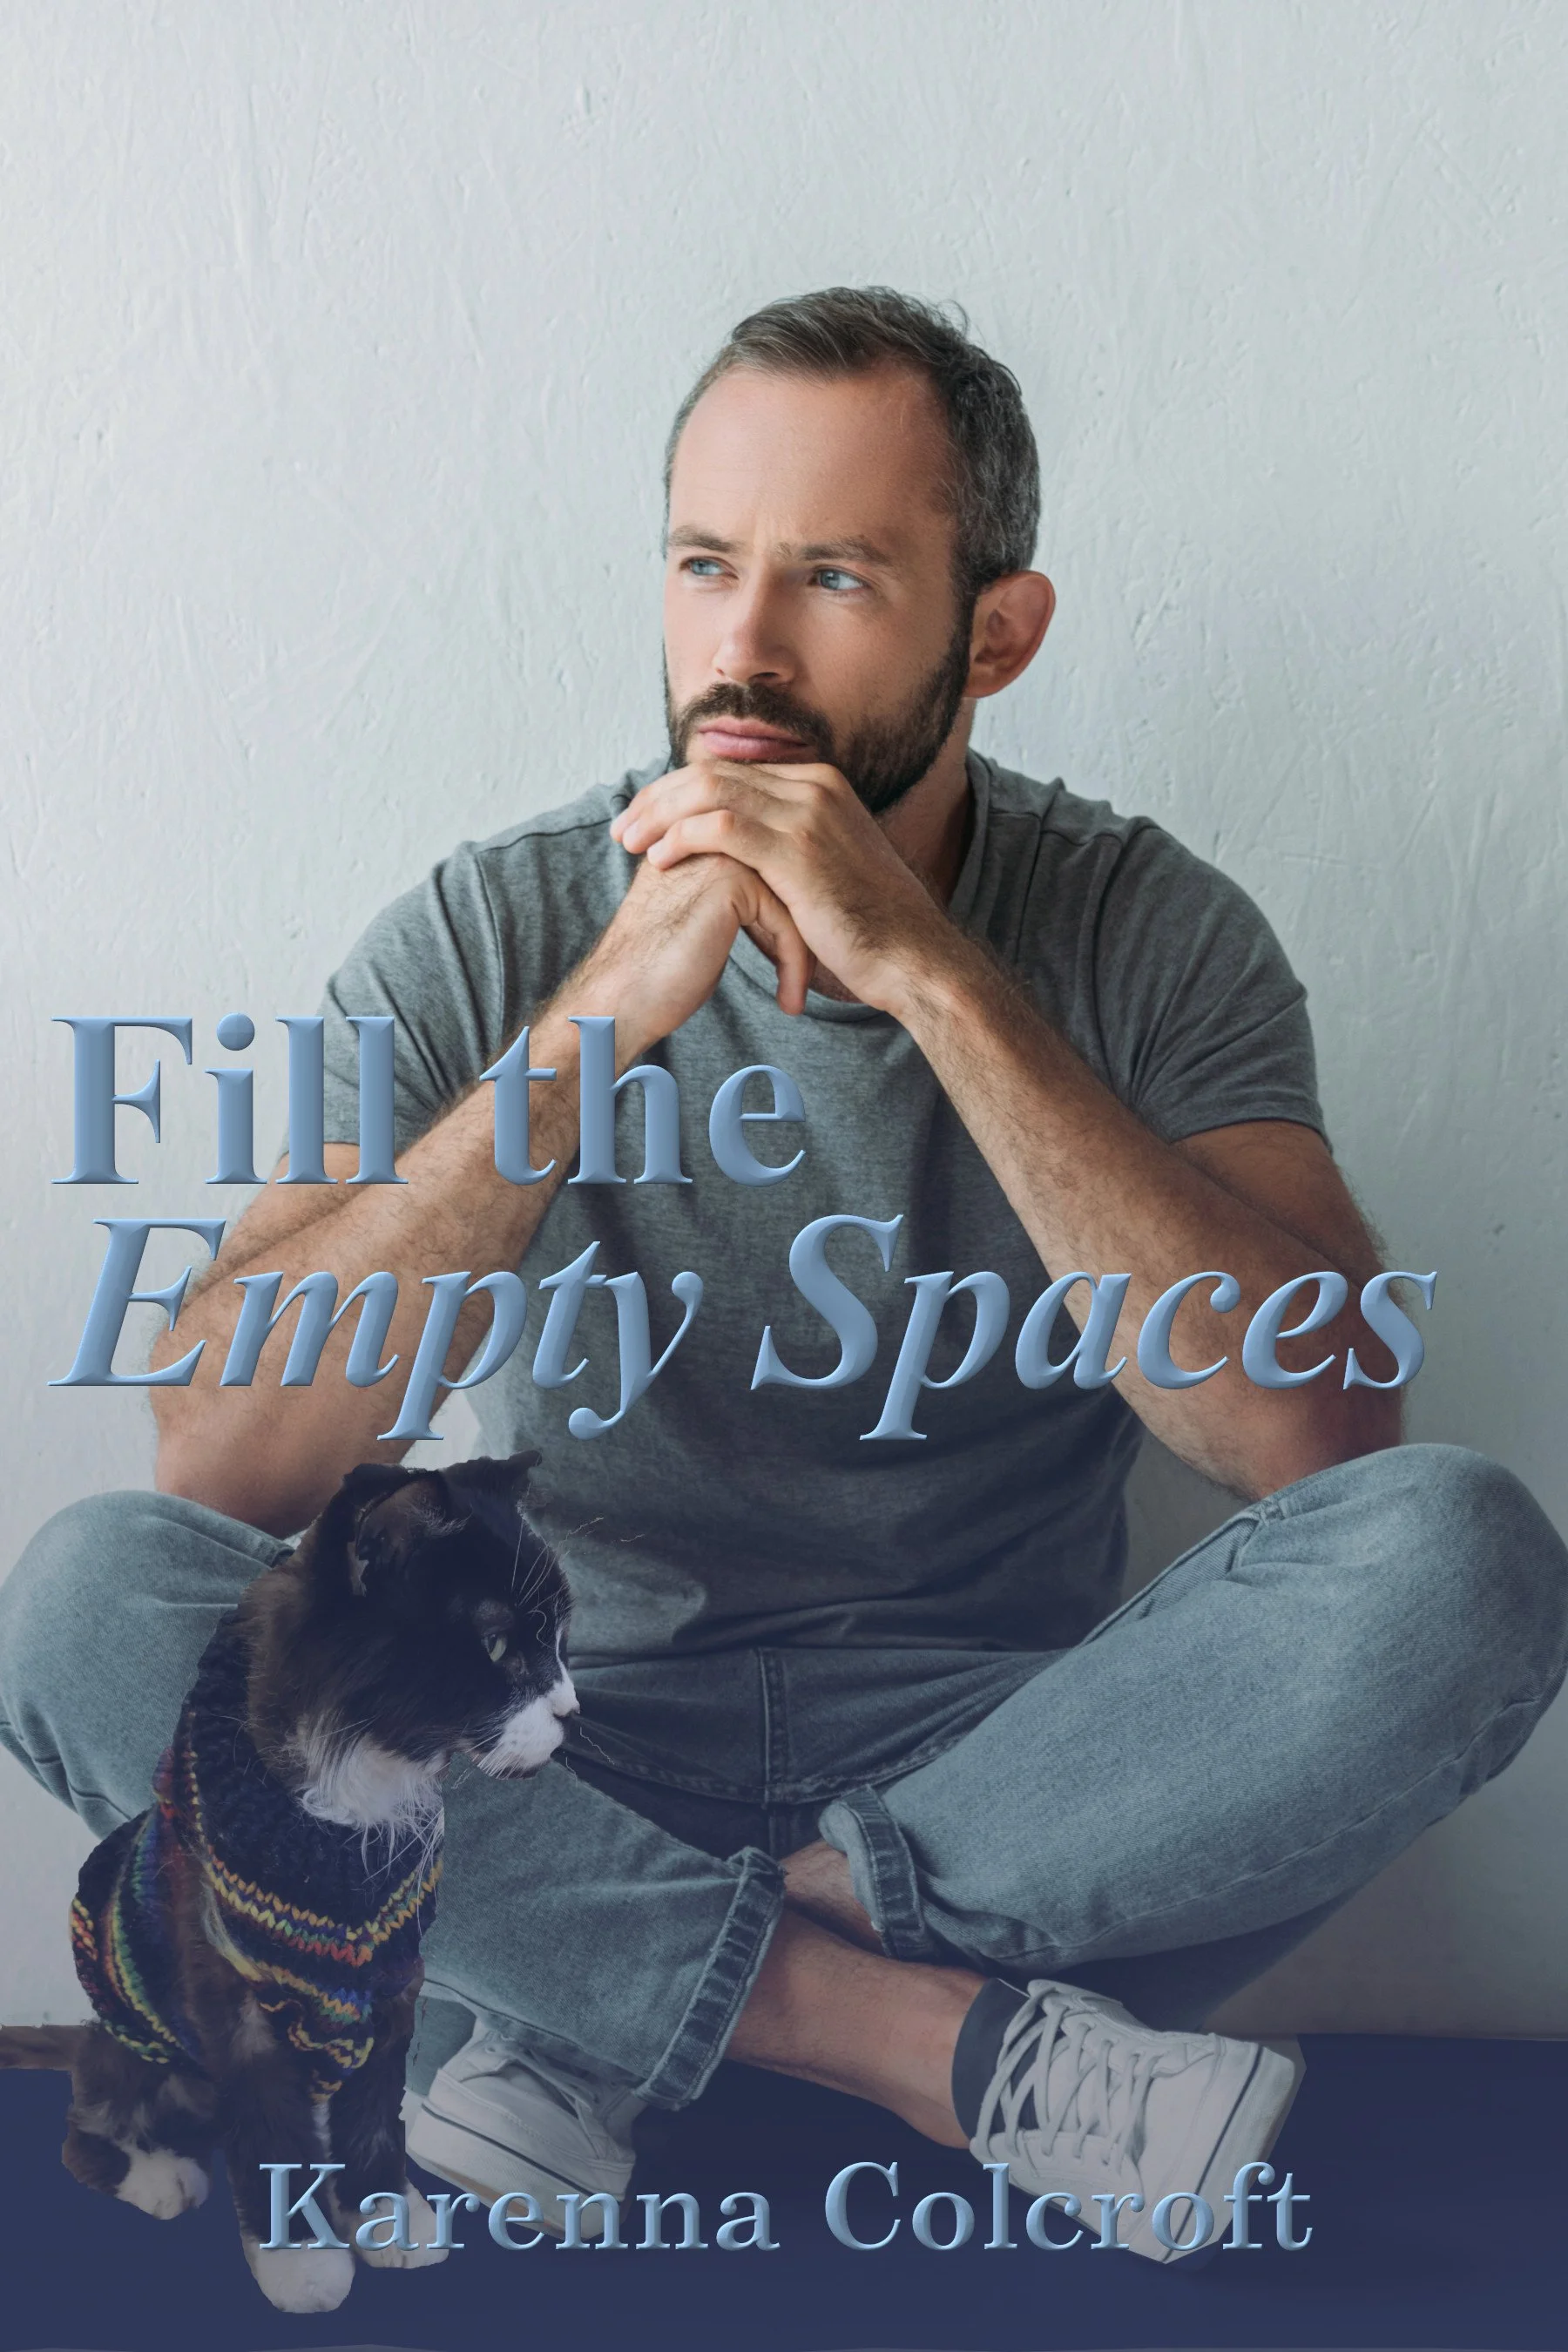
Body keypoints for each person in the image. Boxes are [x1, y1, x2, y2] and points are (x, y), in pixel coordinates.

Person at [4, 287, 1565, 2264]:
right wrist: (596, 1022)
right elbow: (223, 1461)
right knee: (89, 1600)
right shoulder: (494, 924)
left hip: (1015, 1801)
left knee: (1465, 1556)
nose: (741, 646)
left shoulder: (1147, 930)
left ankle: (614, 2010)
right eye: (703, 565)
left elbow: (1318, 1439)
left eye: (833, 576)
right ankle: (925, 2050)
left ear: (995, 633)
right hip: (548, 1753)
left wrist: (928, 970)